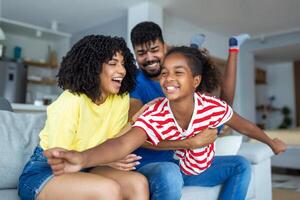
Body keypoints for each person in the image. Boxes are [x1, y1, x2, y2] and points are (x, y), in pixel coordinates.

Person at [44, 46, 287, 200]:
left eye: (178, 72)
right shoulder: (156, 113)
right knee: (169, 172)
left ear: (195, 81)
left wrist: (270, 142)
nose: (168, 78)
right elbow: (122, 144)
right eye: (164, 72)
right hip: (178, 168)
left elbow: (244, 125)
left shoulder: (212, 107)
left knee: (241, 165)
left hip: (203, 169)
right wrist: (82, 158)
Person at [127, 21, 252, 200]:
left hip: (181, 162)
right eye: (141, 53)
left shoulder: (180, 79)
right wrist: (190, 143)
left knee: (240, 164)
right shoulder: (136, 84)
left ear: (165, 47)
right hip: (153, 164)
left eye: (154, 50)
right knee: (170, 172)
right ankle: (194, 49)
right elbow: (135, 135)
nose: (149, 58)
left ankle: (231, 49)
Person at [18, 35, 149, 200]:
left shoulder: (120, 99)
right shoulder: (71, 100)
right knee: (108, 189)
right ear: (93, 67)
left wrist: (136, 120)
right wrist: (106, 161)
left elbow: (114, 141)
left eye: (123, 64)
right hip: (48, 169)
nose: (122, 70)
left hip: (89, 164)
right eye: (113, 63)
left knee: (138, 184)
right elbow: (61, 159)